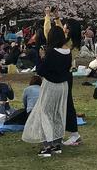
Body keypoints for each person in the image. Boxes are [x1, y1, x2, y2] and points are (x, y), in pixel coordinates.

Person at [22, 25, 71, 157]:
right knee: (58, 113)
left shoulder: (50, 52)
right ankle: (56, 143)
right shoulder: (67, 52)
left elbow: (41, 70)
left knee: (45, 113)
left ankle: (47, 145)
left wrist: (41, 57)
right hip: (63, 86)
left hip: (50, 84)